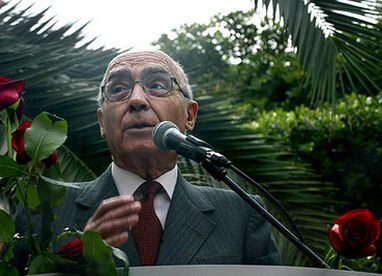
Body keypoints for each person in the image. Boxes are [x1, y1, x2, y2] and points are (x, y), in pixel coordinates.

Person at [52, 50, 281, 266]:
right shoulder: (45, 209)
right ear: (102, 122)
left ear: (189, 115)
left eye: (157, 85)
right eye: (119, 88)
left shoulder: (242, 213)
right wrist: (83, 256)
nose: (137, 100)